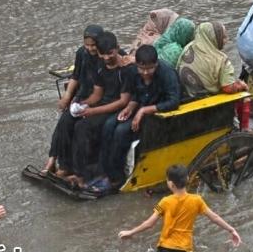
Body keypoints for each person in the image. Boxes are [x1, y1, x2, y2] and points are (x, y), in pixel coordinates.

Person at [92, 45, 181, 192]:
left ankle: (117, 178)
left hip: (157, 115)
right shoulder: (133, 71)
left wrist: (144, 111)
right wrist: (130, 108)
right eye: (142, 69)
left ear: (156, 64)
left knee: (121, 131)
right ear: (137, 65)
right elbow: (135, 94)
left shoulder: (167, 73)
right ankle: (104, 171)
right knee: (109, 125)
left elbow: (174, 101)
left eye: (150, 69)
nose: (145, 73)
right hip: (140, 107)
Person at [118, 164, 242, 252]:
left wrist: (131, 232)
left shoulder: (163, 202)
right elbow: (214, 217)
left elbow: (149, 223)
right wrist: (232, 230)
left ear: (171, 184)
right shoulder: (197, 200)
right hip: (184, 251)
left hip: (164, 249)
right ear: (188, 179)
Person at [68, 31, 136, 188]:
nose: (106, 58)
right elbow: (97, 93)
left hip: (116, 108)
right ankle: (74, 168)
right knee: (73, 121)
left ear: (117, 49)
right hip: (103, 104)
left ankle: (83, 175)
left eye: (110, 54)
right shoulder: (100, 65)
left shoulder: (125, 69)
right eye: (102, 54)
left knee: (82, 127)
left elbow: (122, 101)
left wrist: (93, 112)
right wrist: (83, 104)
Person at [43, 25, 103, 175]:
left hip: (100, 102)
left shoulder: (106, 56)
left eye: (93, 45)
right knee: (64, 122)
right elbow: (75, 76)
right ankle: (57, 162)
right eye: (87, 45)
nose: (90, 49)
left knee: (80, 128)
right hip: (83, 97)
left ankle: (76, 170)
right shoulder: (82, 54)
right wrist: (67, 96)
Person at [177, 21, 248, 97]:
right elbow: (228, 88)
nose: (226, 41)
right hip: (206, 99)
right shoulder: (221, 60)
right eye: (223, 37)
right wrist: (242, 85)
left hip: (183, 95)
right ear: (214, 38)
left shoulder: (188, 48)